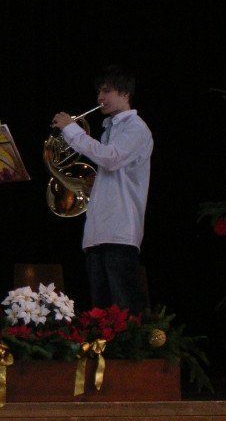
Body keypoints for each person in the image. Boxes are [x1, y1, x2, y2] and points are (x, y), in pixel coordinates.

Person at [51, 64, 153, 314]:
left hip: (120, 232)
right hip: (99, 232)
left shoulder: (136, 127)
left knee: (125, 315)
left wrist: (71, 129)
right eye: (99, 91)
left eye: (107, 91)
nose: (100, 98)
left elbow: (111, 158)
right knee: (101, 316)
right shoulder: (110, 129)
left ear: (125, 93)